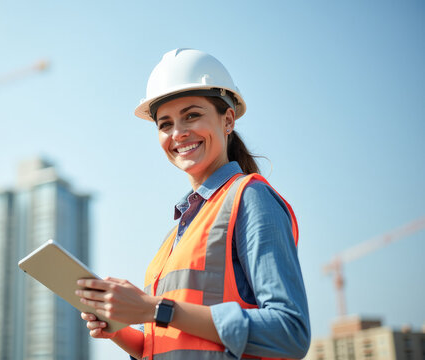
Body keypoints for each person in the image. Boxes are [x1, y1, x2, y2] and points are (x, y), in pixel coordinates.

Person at [76, 48, 310, 359]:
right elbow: (170, 341)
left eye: (192, 115)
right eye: (165, 124)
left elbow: (289, 332)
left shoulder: (250, 198)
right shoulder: (174, 237)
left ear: (227, 121)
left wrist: (155, 308)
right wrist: (119, 330)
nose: (178, 133)